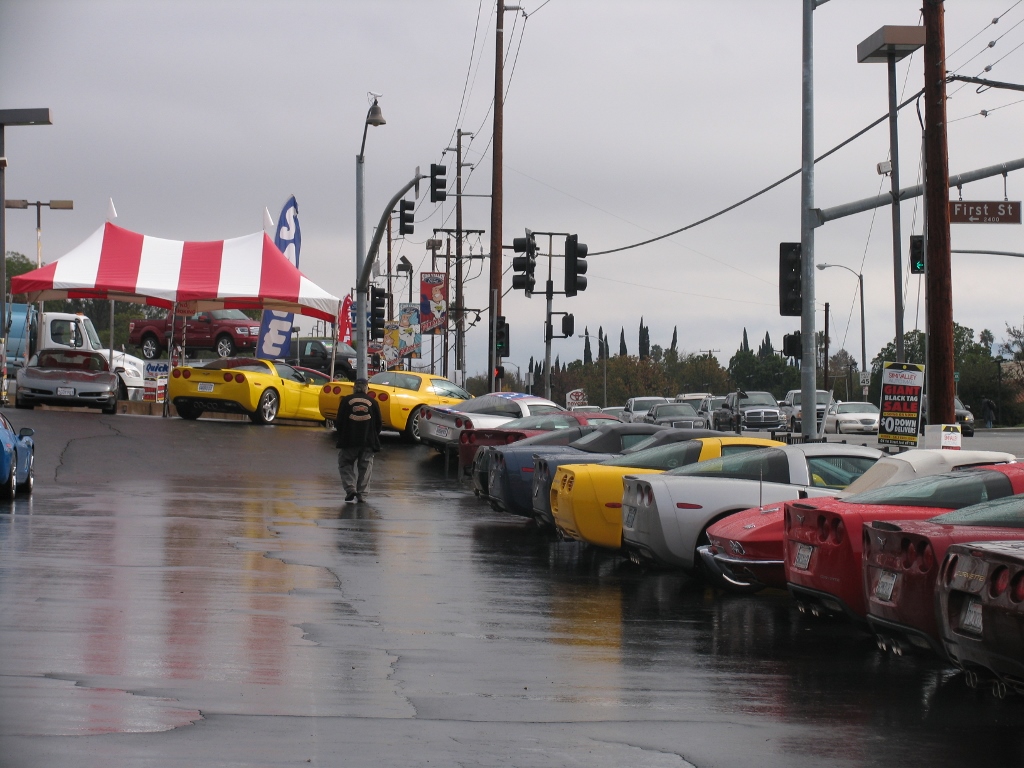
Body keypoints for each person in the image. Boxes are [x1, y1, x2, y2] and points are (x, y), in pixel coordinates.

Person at [336, 378, 382, 502]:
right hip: (368, 441)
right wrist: (373, 435)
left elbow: (339, 421)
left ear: (354, 387)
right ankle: (362, 494)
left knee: (345, 463)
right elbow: (378, 423)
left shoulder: (346, 401)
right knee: (365, 468)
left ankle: (350, 488)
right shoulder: (373, 402)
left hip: (349, 441)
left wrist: (342, 435)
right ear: (366, 388)